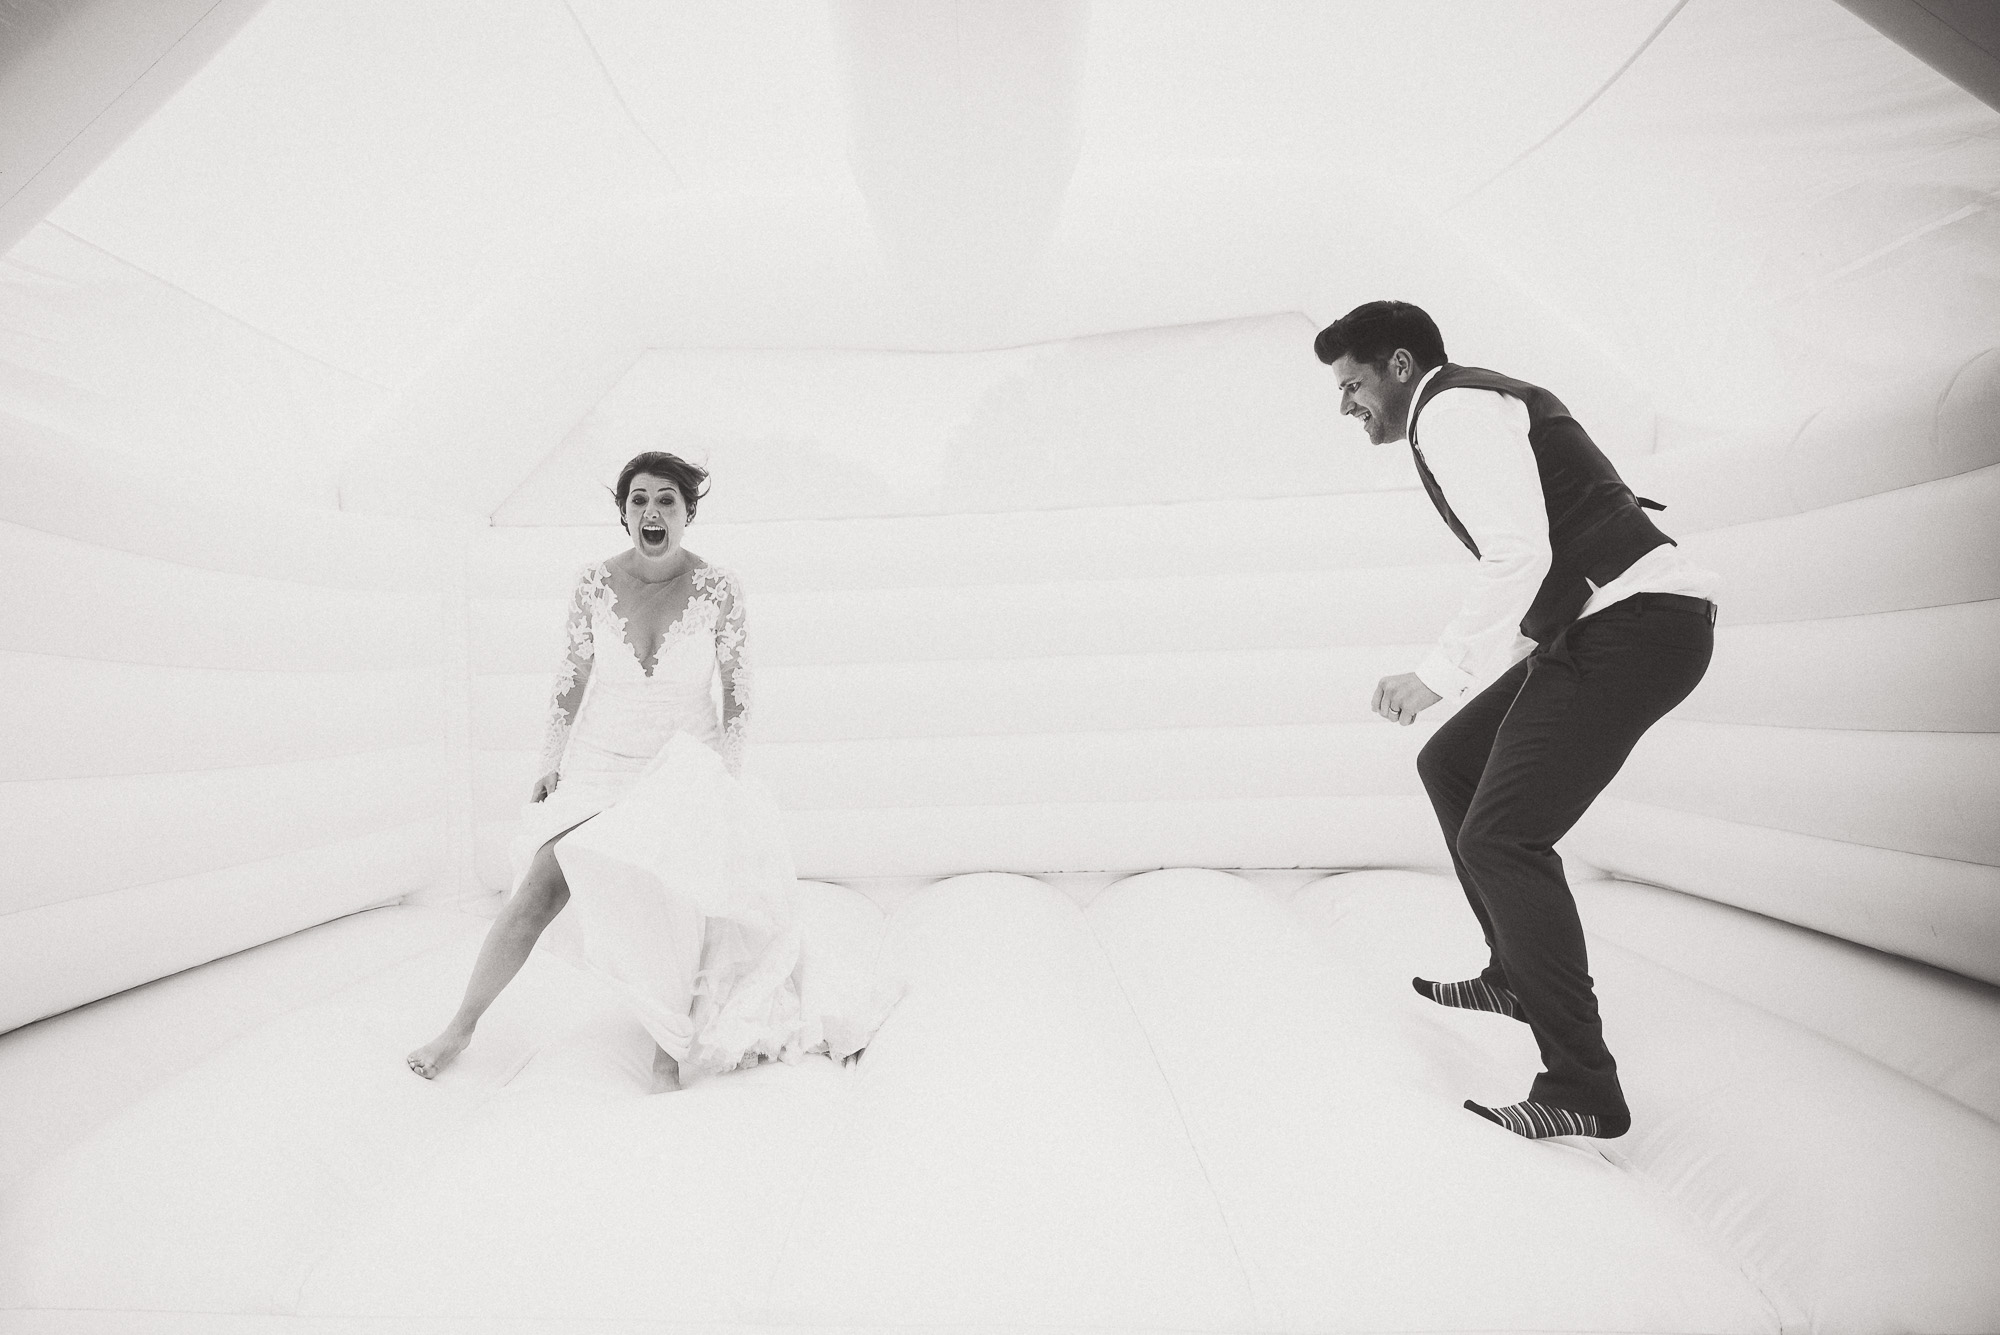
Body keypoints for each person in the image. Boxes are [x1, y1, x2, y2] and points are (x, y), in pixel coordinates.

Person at [1315, 301, 1718, 1140]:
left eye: (1352, 385)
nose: (1346, 406)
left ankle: (1582, 1088)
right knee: (1450, 766)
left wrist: (1436, 674)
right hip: (1608, 627)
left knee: (1501, 839)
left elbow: (1520, 551)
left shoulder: (1451, 408)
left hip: (1636, 628)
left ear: (1397, 365)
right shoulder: (1466, 404)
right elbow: (1541, 554)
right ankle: (1512, 972)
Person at [406, 451, 894, 1090]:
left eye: (666, 499)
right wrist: (550, 765)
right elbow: (571, 680)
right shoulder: (592, 584)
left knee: (675, 892)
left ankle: (669, 1049)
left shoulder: (720, 589)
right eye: (638, 499)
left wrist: (724, 774)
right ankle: (461, 1026)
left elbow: (739, 692)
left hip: (685, 765)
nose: (652, 511)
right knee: (539, 888)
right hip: (603, 764)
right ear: (624, 513)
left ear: (687, 512)